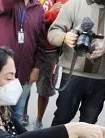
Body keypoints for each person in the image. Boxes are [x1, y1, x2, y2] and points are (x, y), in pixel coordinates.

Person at [44, 0, 105, 138]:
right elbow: (53, 32)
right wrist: (65, 37)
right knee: (63, 114)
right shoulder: (74, 4)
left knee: (89, 120)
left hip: (100, 77)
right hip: (73, 73)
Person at [0, 0, 46, 126]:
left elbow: (41, 42)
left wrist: (36, 67)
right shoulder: (4, 3)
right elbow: (2, 5)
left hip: (24, 73)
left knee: (17, 116)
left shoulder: (38, 8)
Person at [32, 0, 67, 130]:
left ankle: (38, 120)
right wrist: (47, 12)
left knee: (45, 89)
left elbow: (59, 17)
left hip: (50, 51)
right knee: (24, 85)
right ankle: (22, 115)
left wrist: (41, 15)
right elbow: (26, 15)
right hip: (29, 46)